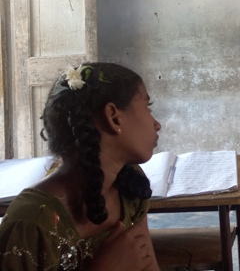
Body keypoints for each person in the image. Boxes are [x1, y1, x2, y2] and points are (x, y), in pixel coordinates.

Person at [0, 63, 162, 270]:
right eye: (148, 107)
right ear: (113, 117)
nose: (157, 124)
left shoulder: (130, 184)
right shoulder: (31, 223)